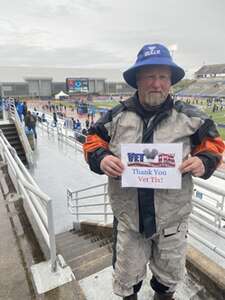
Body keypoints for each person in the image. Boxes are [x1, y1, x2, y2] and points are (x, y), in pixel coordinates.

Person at [83, 44, 225, 300]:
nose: (156, 84)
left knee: (168, 279)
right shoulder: (115, 117)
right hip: (129, 220)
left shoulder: (191, 118)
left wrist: (204, 161)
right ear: (138, 80)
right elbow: (92, 140)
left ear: (170, 81)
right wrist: (101, 158)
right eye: (150, 76)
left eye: (162, 77)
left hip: (173, 220)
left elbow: (214, 146)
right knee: (127, 279)